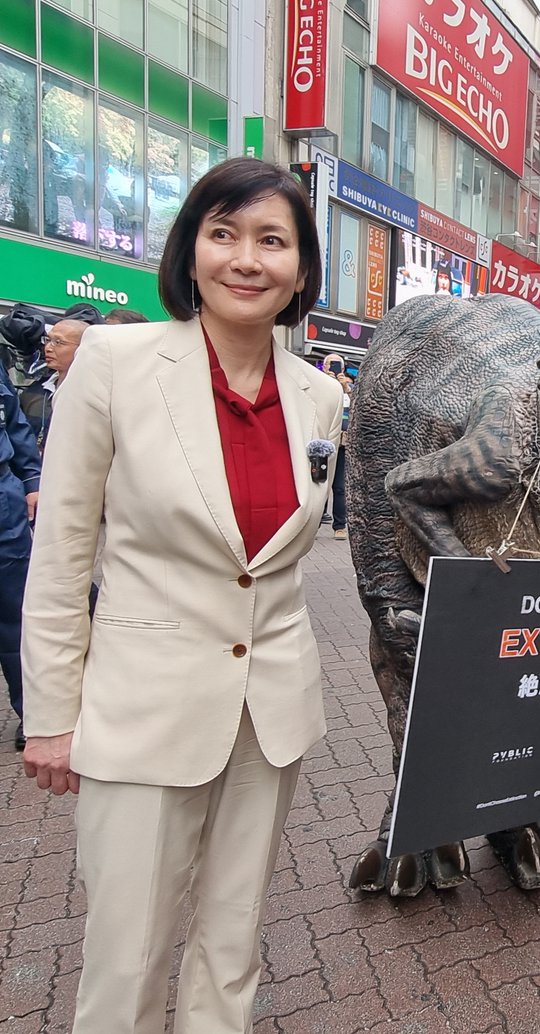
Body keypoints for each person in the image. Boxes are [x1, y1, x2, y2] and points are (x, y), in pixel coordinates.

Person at [20, 157, 343, 1034]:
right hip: (144, 708)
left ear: (301, 270)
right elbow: (61, 554)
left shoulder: (320, 396)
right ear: (191, 250)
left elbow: (274, 560)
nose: (247, 259)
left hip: (269, 714)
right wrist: (51, 711)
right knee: (127, 957)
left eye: (272, 240)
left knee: (232, 947)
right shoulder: (117, 364)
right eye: (224, 233)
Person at [1, 366, 40, 748]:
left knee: (14, 619)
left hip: (4, 510)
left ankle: (31, 711)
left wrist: (31, 481)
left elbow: (14, 423)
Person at [19, 318, 87, 451]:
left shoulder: (94, 395)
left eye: (58, 342)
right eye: (48, 340)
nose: (48, 348)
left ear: (83, 347)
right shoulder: (34, 392)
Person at [321, 352, 351, 540]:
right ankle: (313, 525)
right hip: (322, 442)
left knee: (339, 487)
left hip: (342, 444)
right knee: (319, 484)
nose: (333, 367)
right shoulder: (318, 384)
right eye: (330, 364)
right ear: (324, 367)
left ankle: (340, 526)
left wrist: (345, 388)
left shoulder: (349, 387)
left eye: (337, 364)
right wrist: (327, 384)